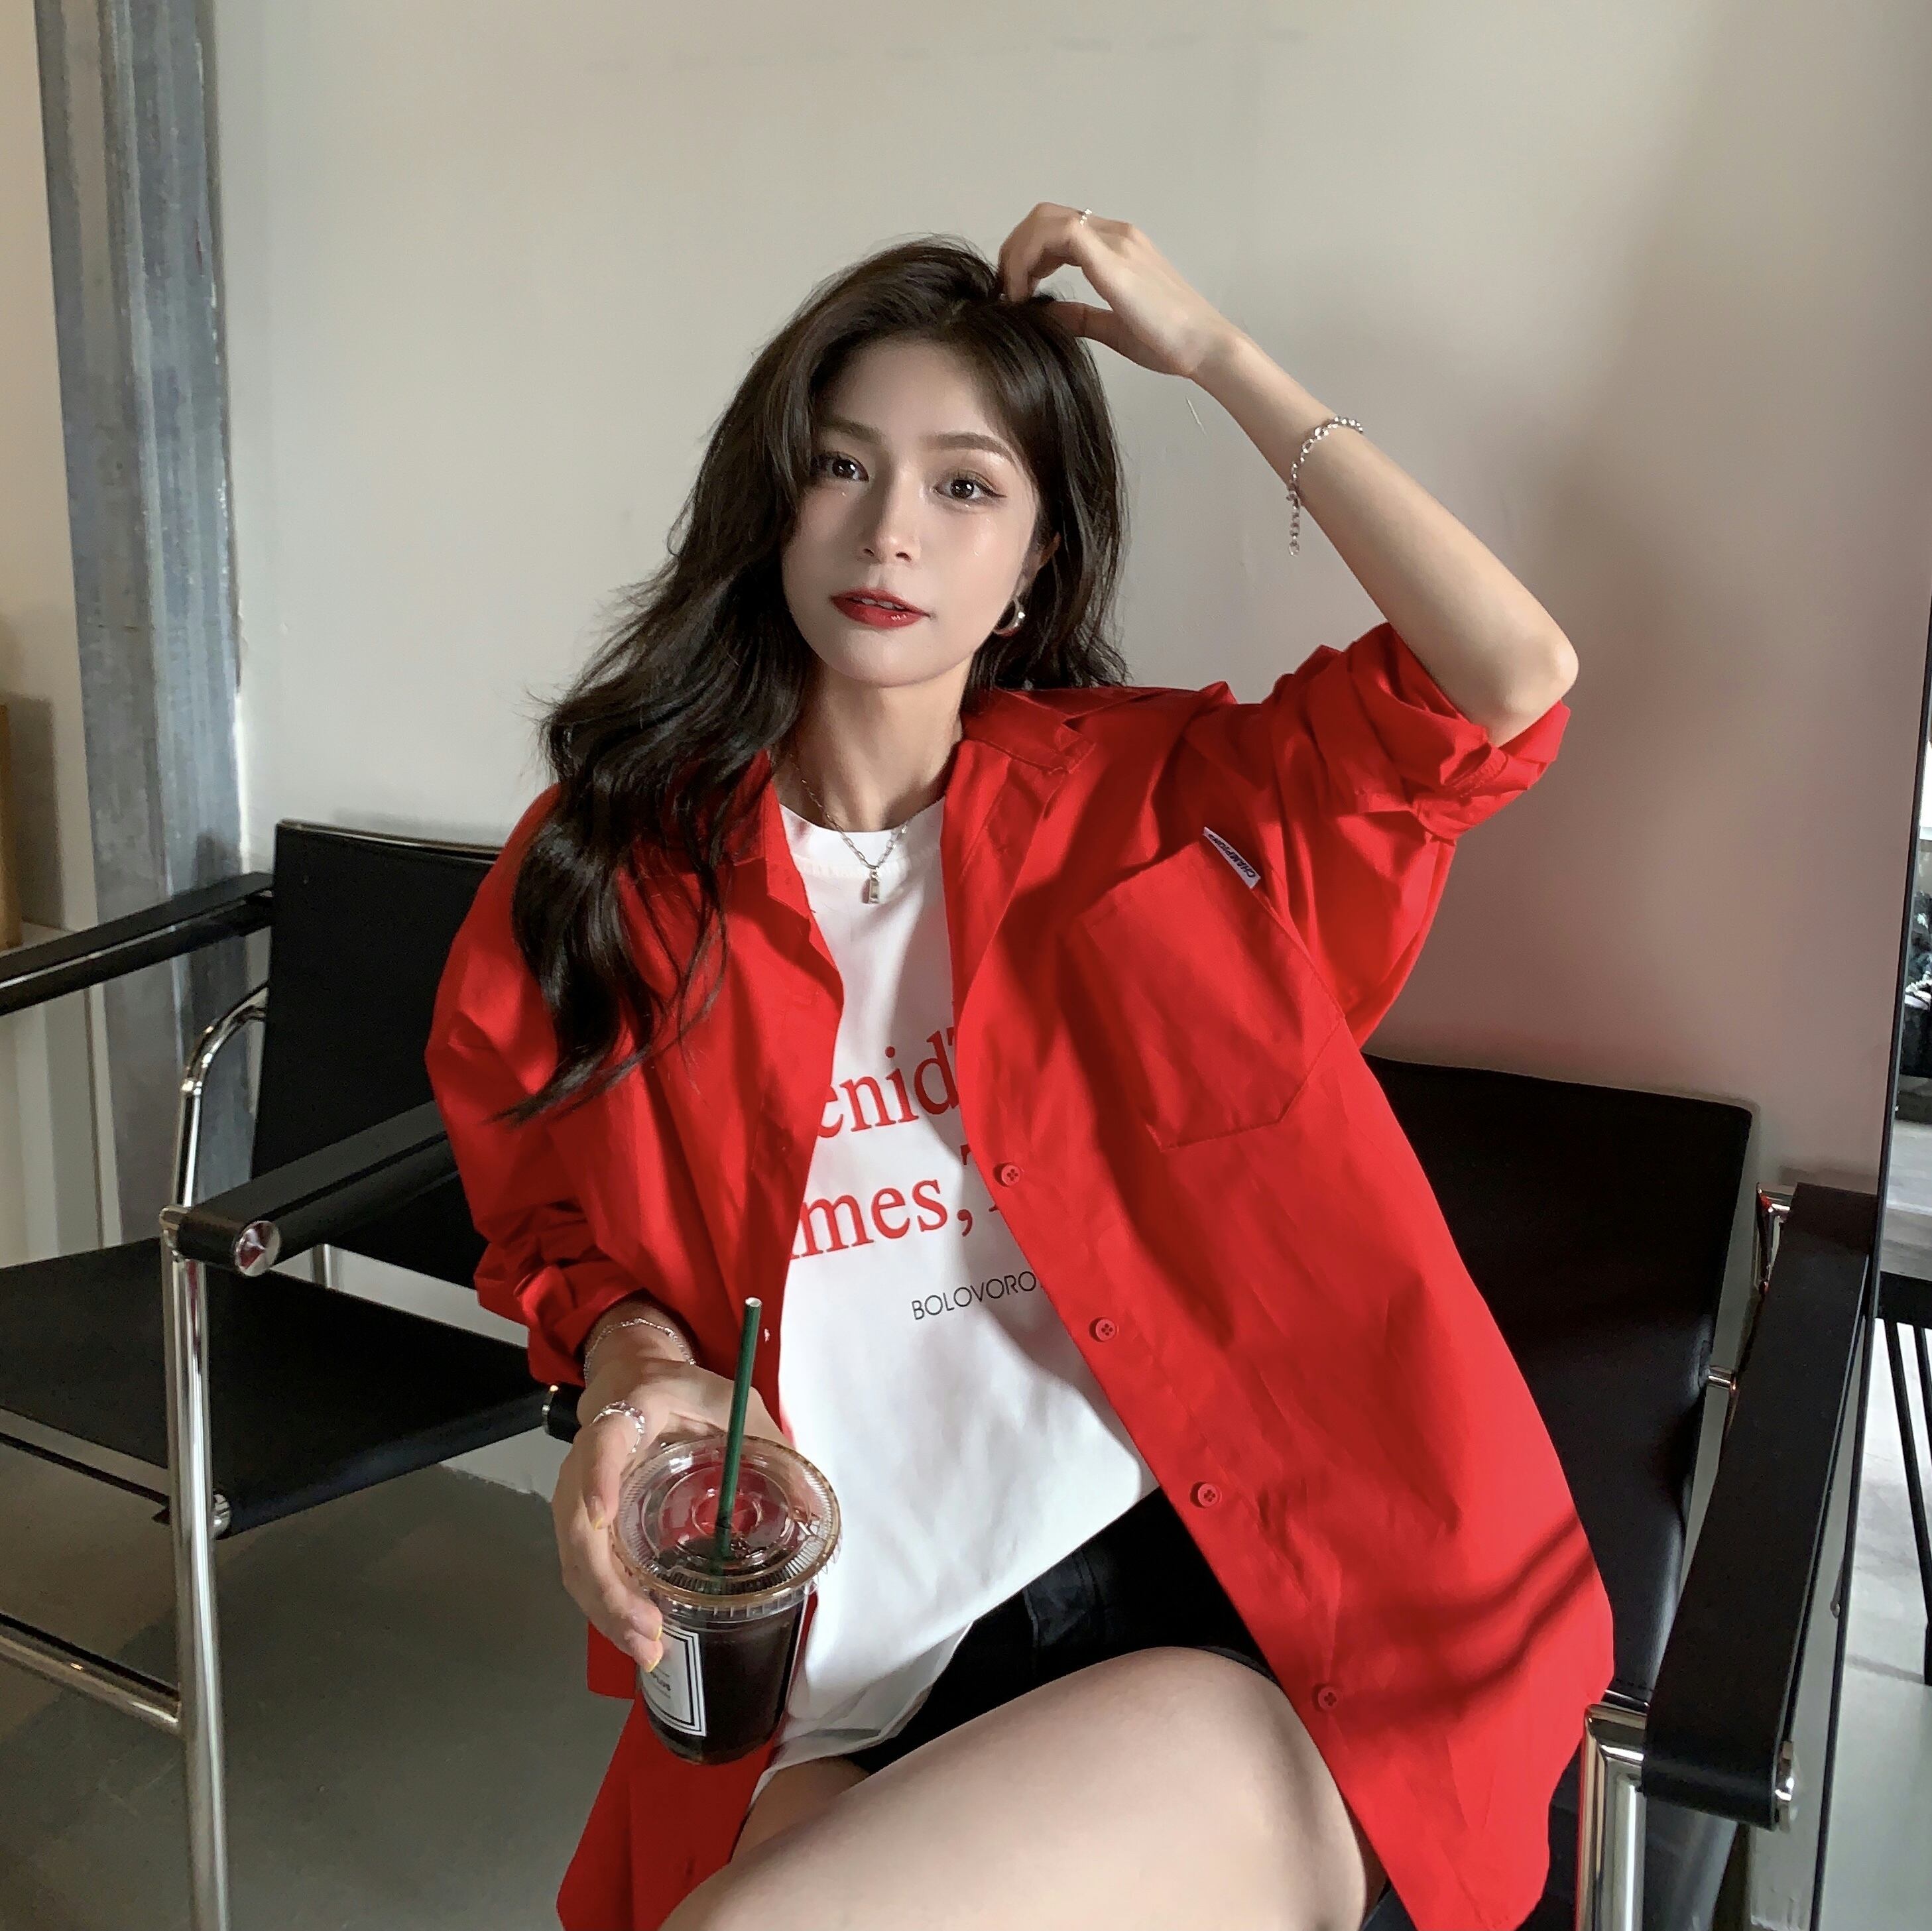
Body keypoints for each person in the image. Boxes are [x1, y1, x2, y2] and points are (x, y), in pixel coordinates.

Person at [425, 204, 1605, 1931]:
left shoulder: (1164, 812)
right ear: (772, 506)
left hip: (1216, 1608)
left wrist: (1215, 357)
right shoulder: (611, 877)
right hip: (849, 1656)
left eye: (965, 484)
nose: (889, 528)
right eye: (840, 465)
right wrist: (636, 1377)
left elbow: (1504, 682)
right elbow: (565, 1242)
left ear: (1039, 559)